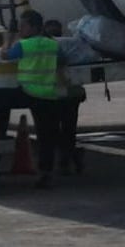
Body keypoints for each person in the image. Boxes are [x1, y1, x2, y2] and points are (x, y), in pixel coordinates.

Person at [0, 10, 66, 188]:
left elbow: (5, 55)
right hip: (48, 96)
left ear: (34, 27)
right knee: (47, 137)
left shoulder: (25, 45)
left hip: (27, 92)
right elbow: (62, 62)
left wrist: (9, 37)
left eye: (24, 26)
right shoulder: (53, 45)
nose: (21, 29)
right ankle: (46, 174)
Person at [44, 19, 86, 175]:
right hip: (68, 94)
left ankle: (68, 159)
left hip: (59, 95)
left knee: (57, 130)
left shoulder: (53, 48)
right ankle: (70, 157)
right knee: (67, 129)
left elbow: (61, 72)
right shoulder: (66, 46)